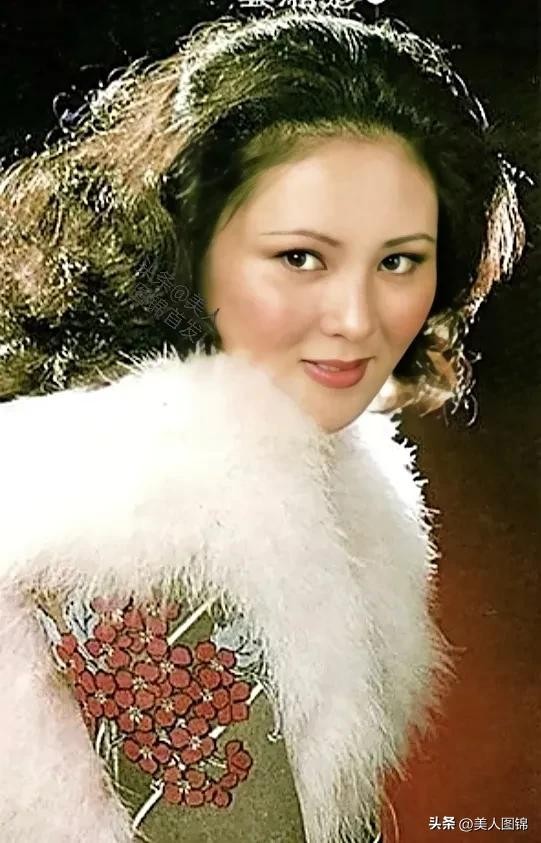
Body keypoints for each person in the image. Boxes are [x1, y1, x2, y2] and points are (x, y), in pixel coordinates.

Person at [0, 9, 527, 843]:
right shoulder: (142, 521)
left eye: (397, 261)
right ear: (189, 241)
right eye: (300, 257)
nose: (355, 318)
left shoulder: (316, 474)